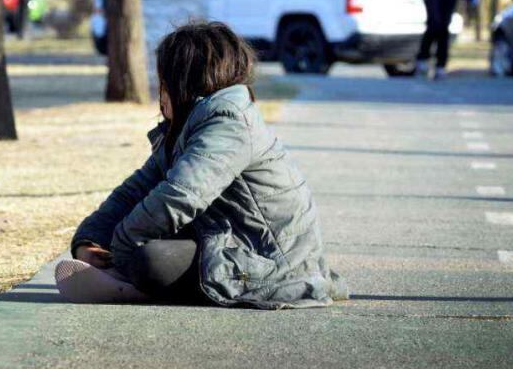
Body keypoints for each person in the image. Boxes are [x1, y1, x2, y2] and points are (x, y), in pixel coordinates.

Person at [55, 21, 343, 309]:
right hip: (232, 244)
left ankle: (130, 286)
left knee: (152, 260)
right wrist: (89, 241)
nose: (159, 89)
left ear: (180, 81)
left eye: (162, 79)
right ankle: (126, 281)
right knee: (148, 248)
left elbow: (181, 195)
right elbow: (136, 190)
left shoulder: (229, 123)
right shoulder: (191, 126)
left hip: (276, 267)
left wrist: (119, 252)